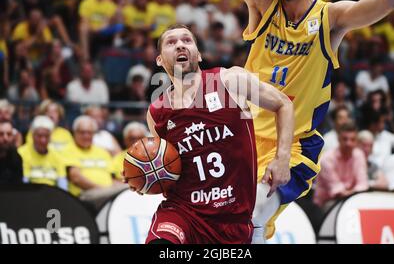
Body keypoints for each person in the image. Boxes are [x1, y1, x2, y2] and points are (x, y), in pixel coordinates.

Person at [218, 0, 394, 242]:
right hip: (244, 137)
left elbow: (387, 1)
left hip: (294, 144)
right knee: (232, 224)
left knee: (256, 206)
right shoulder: (264, 2)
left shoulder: (331, 18)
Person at [124, 24, 294, 244]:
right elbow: (166, 165)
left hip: (232, 216)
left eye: (187, 40)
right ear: (159, 60)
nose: (180, 46)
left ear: (199, 54)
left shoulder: (230, 80)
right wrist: (144, 176)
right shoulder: (157, 112)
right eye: (171, 42)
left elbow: (283, 104)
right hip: (184, 213)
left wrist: (282, 158)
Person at [313, 122, 369, 211]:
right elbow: (337, 191)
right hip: (327, 202)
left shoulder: (359, 155)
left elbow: (363, 184)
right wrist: (354, 191)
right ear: (338, 139)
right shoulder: (327, 158)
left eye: (352, 139)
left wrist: (352, 192)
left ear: (356, 141)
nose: (348, 143)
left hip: (351, 199)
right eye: (345, 139)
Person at [63, 115, 115, 197]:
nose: (86, 136)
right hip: (84, 195)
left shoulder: (102, 152)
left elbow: (113, 179)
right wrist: (101, 190)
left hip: (107, 194)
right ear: (74, 132)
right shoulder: (69, 150)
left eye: (89, 132)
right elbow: (76, 178)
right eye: (82, 132)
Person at [18, 116, 67, 190]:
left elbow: (62, 183)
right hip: (30, 194)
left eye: (46, 136)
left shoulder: (57, 155)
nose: (43, 140)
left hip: (53, 195)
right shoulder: (21, 153)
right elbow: (24, 182)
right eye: (39, 136)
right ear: (33, 135)